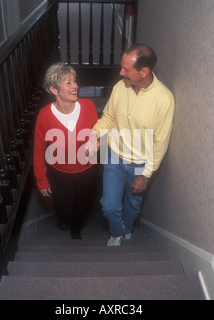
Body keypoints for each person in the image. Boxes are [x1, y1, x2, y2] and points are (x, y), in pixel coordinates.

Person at [89, 44, 175, 246]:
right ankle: (117, 232)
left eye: (126, 69)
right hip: (114, 157)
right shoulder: (120, 87)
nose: (121, 73)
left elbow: (160, 142)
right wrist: (94, 134)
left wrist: (146, 175)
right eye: (121, 67)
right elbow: (108, 117)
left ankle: (126, 228)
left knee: (133, 204)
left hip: (140, 164)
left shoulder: (164, 100)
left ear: (144, 71)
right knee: (109, 206)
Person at [33, 62, 98, 239]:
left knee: (82, 202)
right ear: (54, 89)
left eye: (75, 81)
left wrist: (96, 141)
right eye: (68, 83)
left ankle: (75, 227)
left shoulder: (89, 106)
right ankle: (64, 218)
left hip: (87, 170)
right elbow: (39, 151)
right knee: (64, 204)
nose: (75, 86)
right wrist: (41, 180)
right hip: (60, 172)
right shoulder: (44, 116)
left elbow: (97, 131)